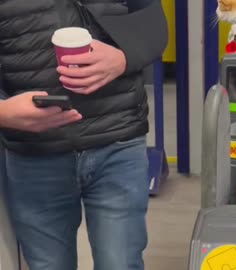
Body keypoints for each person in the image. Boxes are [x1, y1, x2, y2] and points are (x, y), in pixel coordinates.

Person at [0, 1, 167, 269]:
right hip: (34, 155)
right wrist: (4, 112)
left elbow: (154, 26)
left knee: (121, 263)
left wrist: (123, 58)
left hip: (118, 142)